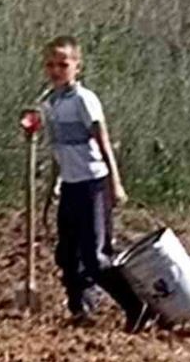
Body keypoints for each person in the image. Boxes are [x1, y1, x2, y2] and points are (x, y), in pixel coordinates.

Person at [38, 36, 149, 330]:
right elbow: (56, 151)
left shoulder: (84, 100)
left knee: (95, 256)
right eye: (50, 65)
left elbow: (102, 141)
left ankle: (137, 307)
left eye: (63, 64)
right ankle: (81, 307)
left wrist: (115, 183)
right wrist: (51, 191)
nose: (56, 70)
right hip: (71, 185)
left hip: (93, 183)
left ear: (77, 66)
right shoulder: (49, 103)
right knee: (66, 253)